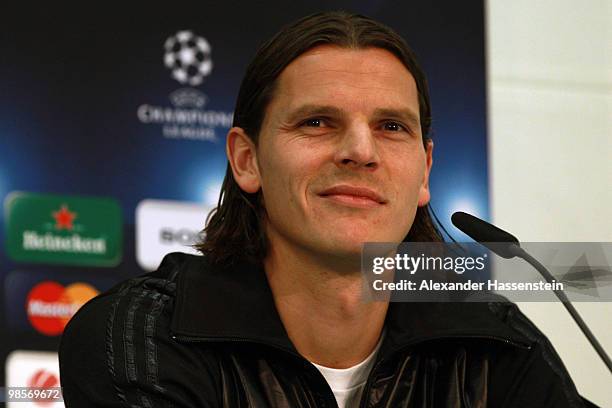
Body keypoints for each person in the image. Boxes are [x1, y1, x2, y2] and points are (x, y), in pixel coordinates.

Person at [59, 11, 590, 407]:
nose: (360, 151)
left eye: (391, 127)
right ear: (248, 161)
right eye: (317, 122)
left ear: (424, 172)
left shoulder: (493, 344)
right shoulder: (143, 337)